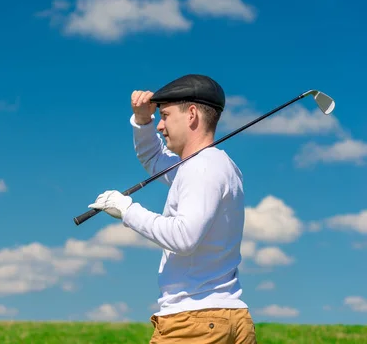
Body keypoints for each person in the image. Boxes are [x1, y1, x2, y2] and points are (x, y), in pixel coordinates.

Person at [88, 74, 257, 343]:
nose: (160, 125)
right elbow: (154, 158)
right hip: (227, 317)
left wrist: (126, 210)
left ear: (191, 114)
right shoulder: (213, 165)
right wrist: (143, 121)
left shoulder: (201, 168)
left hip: (194, 323)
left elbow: (183, 237)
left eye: (165, 115)